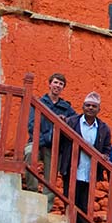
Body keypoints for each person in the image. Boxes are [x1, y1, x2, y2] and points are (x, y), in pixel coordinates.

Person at [58, 91, 111, 223]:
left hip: (89, 172)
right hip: (71, 168)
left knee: (84, 202)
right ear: (83, 107)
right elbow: (61, 141)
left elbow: (107, 147)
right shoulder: (71, 122)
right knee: (69, 198)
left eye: (94, 106)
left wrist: (105, 155)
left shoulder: (104, 129)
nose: (90, 108)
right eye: (88, 105)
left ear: (99, 109)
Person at [23, 73, 76, 208]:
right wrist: (47, 138)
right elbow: (31, 125)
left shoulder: (66, 108)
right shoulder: (39, 103)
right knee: (29, 153)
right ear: (50, 84)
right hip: (38, 142)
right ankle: (32, 190)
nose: (57, 86)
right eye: (56, 82)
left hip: (55, 147)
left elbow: (73, 124)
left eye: (61, 84)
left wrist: (65, 121)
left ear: (63, 88)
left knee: (51, 176)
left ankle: (46, 206)